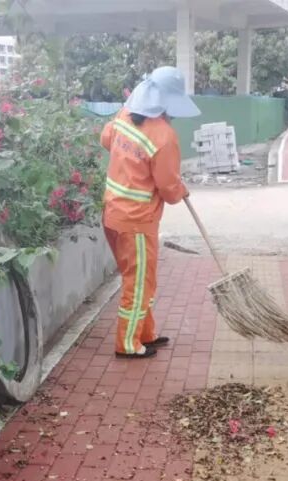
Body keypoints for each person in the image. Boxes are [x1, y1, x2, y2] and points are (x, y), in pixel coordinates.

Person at [100, 66, 200, 358]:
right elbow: (168, 189)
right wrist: (181, 189)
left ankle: (145, 333)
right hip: (137, 222)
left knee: (141, 278)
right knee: (139, 283)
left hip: (113, 215)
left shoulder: (124, 115)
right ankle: (128, 344)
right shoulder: (164, 136)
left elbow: (106, 139)